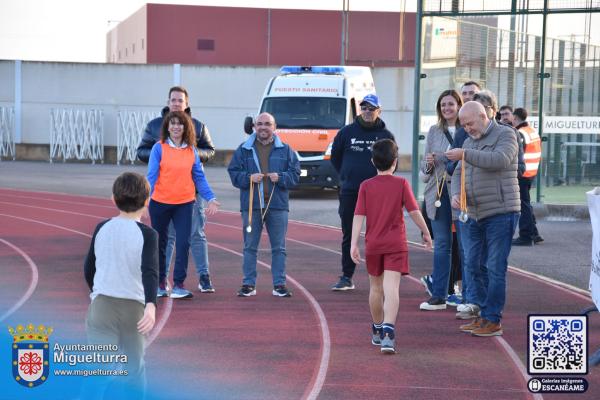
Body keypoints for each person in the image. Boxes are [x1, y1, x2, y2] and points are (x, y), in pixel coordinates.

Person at [350, 139, 432, 354]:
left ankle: (377, 329)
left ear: (372, 162)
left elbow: (359, 215)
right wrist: (426, 231)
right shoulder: (402, 184)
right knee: (391, 288)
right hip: (396, 243)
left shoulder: (366, 186)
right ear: (395, 162)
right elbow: (414, 211)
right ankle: (389, 332)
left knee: (375, 288)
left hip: (374, 244)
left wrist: (353, 244)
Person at [447, 101, 520, 337]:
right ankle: (481, 313)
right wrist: (456, 193)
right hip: (473, 214)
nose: (467, 129)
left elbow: (500, 160)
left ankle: (492, 319)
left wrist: (466, 154)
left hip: (501, 212)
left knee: (495, 267)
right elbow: (458, 171)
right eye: (464, 125)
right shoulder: (469, 141)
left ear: (483, 115)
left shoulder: (506, 134)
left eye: (469, 123)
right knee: (473, 264)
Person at [84, 172, 158, 396]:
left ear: (113, 199)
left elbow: (89, 268)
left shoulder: (101, 228)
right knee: (134, 369)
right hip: (133, 310)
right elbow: (150, 272)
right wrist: (151, 305)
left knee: (97, 369)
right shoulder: (148, 235)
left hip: (102, 306)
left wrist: (99, 293)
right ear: (147, 201)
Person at [137, 86, 217, 295]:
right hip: (160, 202)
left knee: (184, 242)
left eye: (180, 125)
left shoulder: (192, 150)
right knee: (161, 244)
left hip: (185, 203)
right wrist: (144, 202)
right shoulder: (158, 147)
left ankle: (179, 285)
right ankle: (161, 284)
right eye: (172, 124)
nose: (176, 127)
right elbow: (151, 176)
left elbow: (200, 176)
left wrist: (211, 198)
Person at [228, 112, 300, 297]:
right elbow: (234, 173)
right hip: (252, 206)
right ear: (254, 126)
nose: (263, 127)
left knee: (279, 248)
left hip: (277, 206)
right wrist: (248, 178)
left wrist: (282, 177)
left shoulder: (286, 149)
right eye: (259, 124)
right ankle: (248, 284)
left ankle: (279, 285)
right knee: (250, 247)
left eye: (267, 124)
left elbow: (296, 175)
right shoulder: (244, 149)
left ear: (274, 127)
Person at [330, 94, 395, 291]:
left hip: (378, 193)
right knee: (349, 234)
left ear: (379, 111)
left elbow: (394, 162)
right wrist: (347, 176)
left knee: (378, 235)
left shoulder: (386, 135)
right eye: (364, 107)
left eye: (371, 108)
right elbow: (336, 157)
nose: (367, 111)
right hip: (350, 191)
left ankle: (379, 275)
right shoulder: (346, 132)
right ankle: (346, 276)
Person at [418, 89, 463, 311]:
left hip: (462, 193)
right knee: (442, 244)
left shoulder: (467, 130)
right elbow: (424, 173)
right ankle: (439, 295)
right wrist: (428, 162)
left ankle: (467, 295)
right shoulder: (434, 131)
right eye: (443, 105)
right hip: (438, 192)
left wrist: (445, 157)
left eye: (451, 104)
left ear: (459, 106)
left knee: (464, 245)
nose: (447, 108)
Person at [512, 107, 543, 246]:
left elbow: (518, 156)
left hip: (522, 174)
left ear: (515, 118)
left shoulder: (520, 133)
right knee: (526, 204)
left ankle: (526, 236)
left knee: (523, 206)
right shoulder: (531, 131)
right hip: (531, 172)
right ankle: (534, 233)